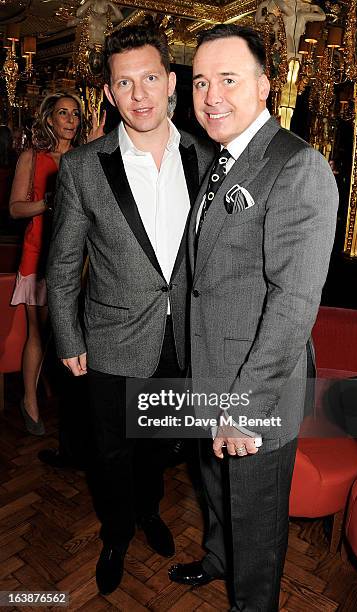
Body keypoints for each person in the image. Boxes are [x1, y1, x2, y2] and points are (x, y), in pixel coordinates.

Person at [168, 24, 338, 611]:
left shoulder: (296, 167)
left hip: (254, 390)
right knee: (216, 489)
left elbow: (293, 304)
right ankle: (218, 558)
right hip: (208, 376)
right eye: (199, 82)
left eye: (229, 80)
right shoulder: (219, 159)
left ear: (265, 86)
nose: (211, 96)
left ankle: (252, 601)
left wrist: (245, 407)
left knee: (257, 517)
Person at [46, 25, 214, 597]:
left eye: (149, 78)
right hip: (113, 336)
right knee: (113, 448)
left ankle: (148, 511)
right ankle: (116, 533)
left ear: (171, 82)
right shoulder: (82, 167)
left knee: (159, 443)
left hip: (184, 336)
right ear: (110, 94)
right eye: (125, 82)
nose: (139, 93)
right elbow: (64, 264)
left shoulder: (206, 156)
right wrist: (67, 338)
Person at [9, 92, 86, 436]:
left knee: (73, 334)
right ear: (50, 119)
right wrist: (49, 201)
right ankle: (30, 402)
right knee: (39, 333)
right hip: (38, 254)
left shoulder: (86, 158)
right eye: (63, 113)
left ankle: (75, 409)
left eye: (75, 114)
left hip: (79, 261)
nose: (70, 120)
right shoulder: (34, 157)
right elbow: (14, 209)